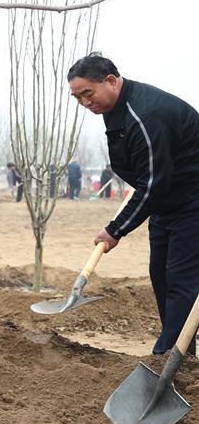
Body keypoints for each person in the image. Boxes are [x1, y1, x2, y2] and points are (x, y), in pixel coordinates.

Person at [68, 53, 199, 355]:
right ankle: (181, 354)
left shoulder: (146, 114)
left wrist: (116, 229)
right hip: (168, 203)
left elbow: (153, 184)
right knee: (162, 276)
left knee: (181, 282)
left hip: (192, 202)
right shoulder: (117, 109)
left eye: (87, 93)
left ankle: (167, 357)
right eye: (78, 98)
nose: (85, 103)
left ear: (111, 81)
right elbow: (147, 179)